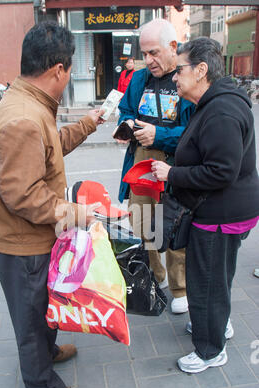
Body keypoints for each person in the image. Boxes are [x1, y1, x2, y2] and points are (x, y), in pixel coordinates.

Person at [0, 22, 105, 388]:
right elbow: (22, 193)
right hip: (22, 242)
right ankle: (43, 387)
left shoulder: (32, 104)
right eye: (68, 72)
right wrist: (77, 214)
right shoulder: (22, 117)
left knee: (43, 303)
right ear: (58, 70)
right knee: (31, 317)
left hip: (33, 237)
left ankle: (47, 354)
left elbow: (48, 148)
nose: (67, 79)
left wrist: (89, 123)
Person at [151, 37, 259, 373]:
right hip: (223, 210)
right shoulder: (214, 103)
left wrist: (173, 173)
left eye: (179, 69)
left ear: (200, 71)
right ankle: (217, 325)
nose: (174, 77)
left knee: (207, 280)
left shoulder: (222, 110)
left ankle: (211, 350)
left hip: (220, 214)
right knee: (217, 275)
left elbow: (221, 171)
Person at [114, 19, 195, 314]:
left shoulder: (187, 77)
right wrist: (126, 124)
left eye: (154, 53)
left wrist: (159, 135)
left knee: (173, 223)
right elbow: (125, 108)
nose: (148, 60)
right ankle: (154, 275)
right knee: (141, 222)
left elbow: (194, 131)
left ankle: (180, 287)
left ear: (173, 48)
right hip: (141, 159)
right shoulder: (139, 79)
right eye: (145, 53)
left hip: (175, 163)